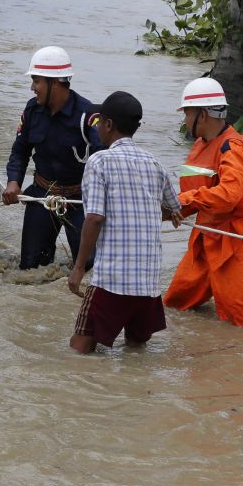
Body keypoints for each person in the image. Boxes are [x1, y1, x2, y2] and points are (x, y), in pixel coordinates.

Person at [67, 92, 183, 353]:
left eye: (99, 122)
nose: (97, 127)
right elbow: (174, 210)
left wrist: (78, 268)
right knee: (136, 348)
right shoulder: (155, 164)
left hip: (112, 280)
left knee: (79, 349)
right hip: (147, 284)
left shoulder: (99, 161)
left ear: (108, 125)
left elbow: (94, 218)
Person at [163, 76, 243, 328]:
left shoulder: (233, 148)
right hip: (205, 239)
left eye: (187, 114)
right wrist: (163, 210)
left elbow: (228, 196)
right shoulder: (204, 144)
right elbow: (196, 196)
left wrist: (180, 201)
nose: (184, 120)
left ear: (202, 115)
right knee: (174, 304)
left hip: (234, 243)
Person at [2, 46, 103, 270]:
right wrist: (13, 182)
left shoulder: (87, 115)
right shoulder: (31, 111)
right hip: (42, 195)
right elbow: (20, 151)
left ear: (54, 83)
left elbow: (105, 158)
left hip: (80, 200)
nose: (32, 88)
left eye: (36, 81)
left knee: (89, 267)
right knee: (31, 269)